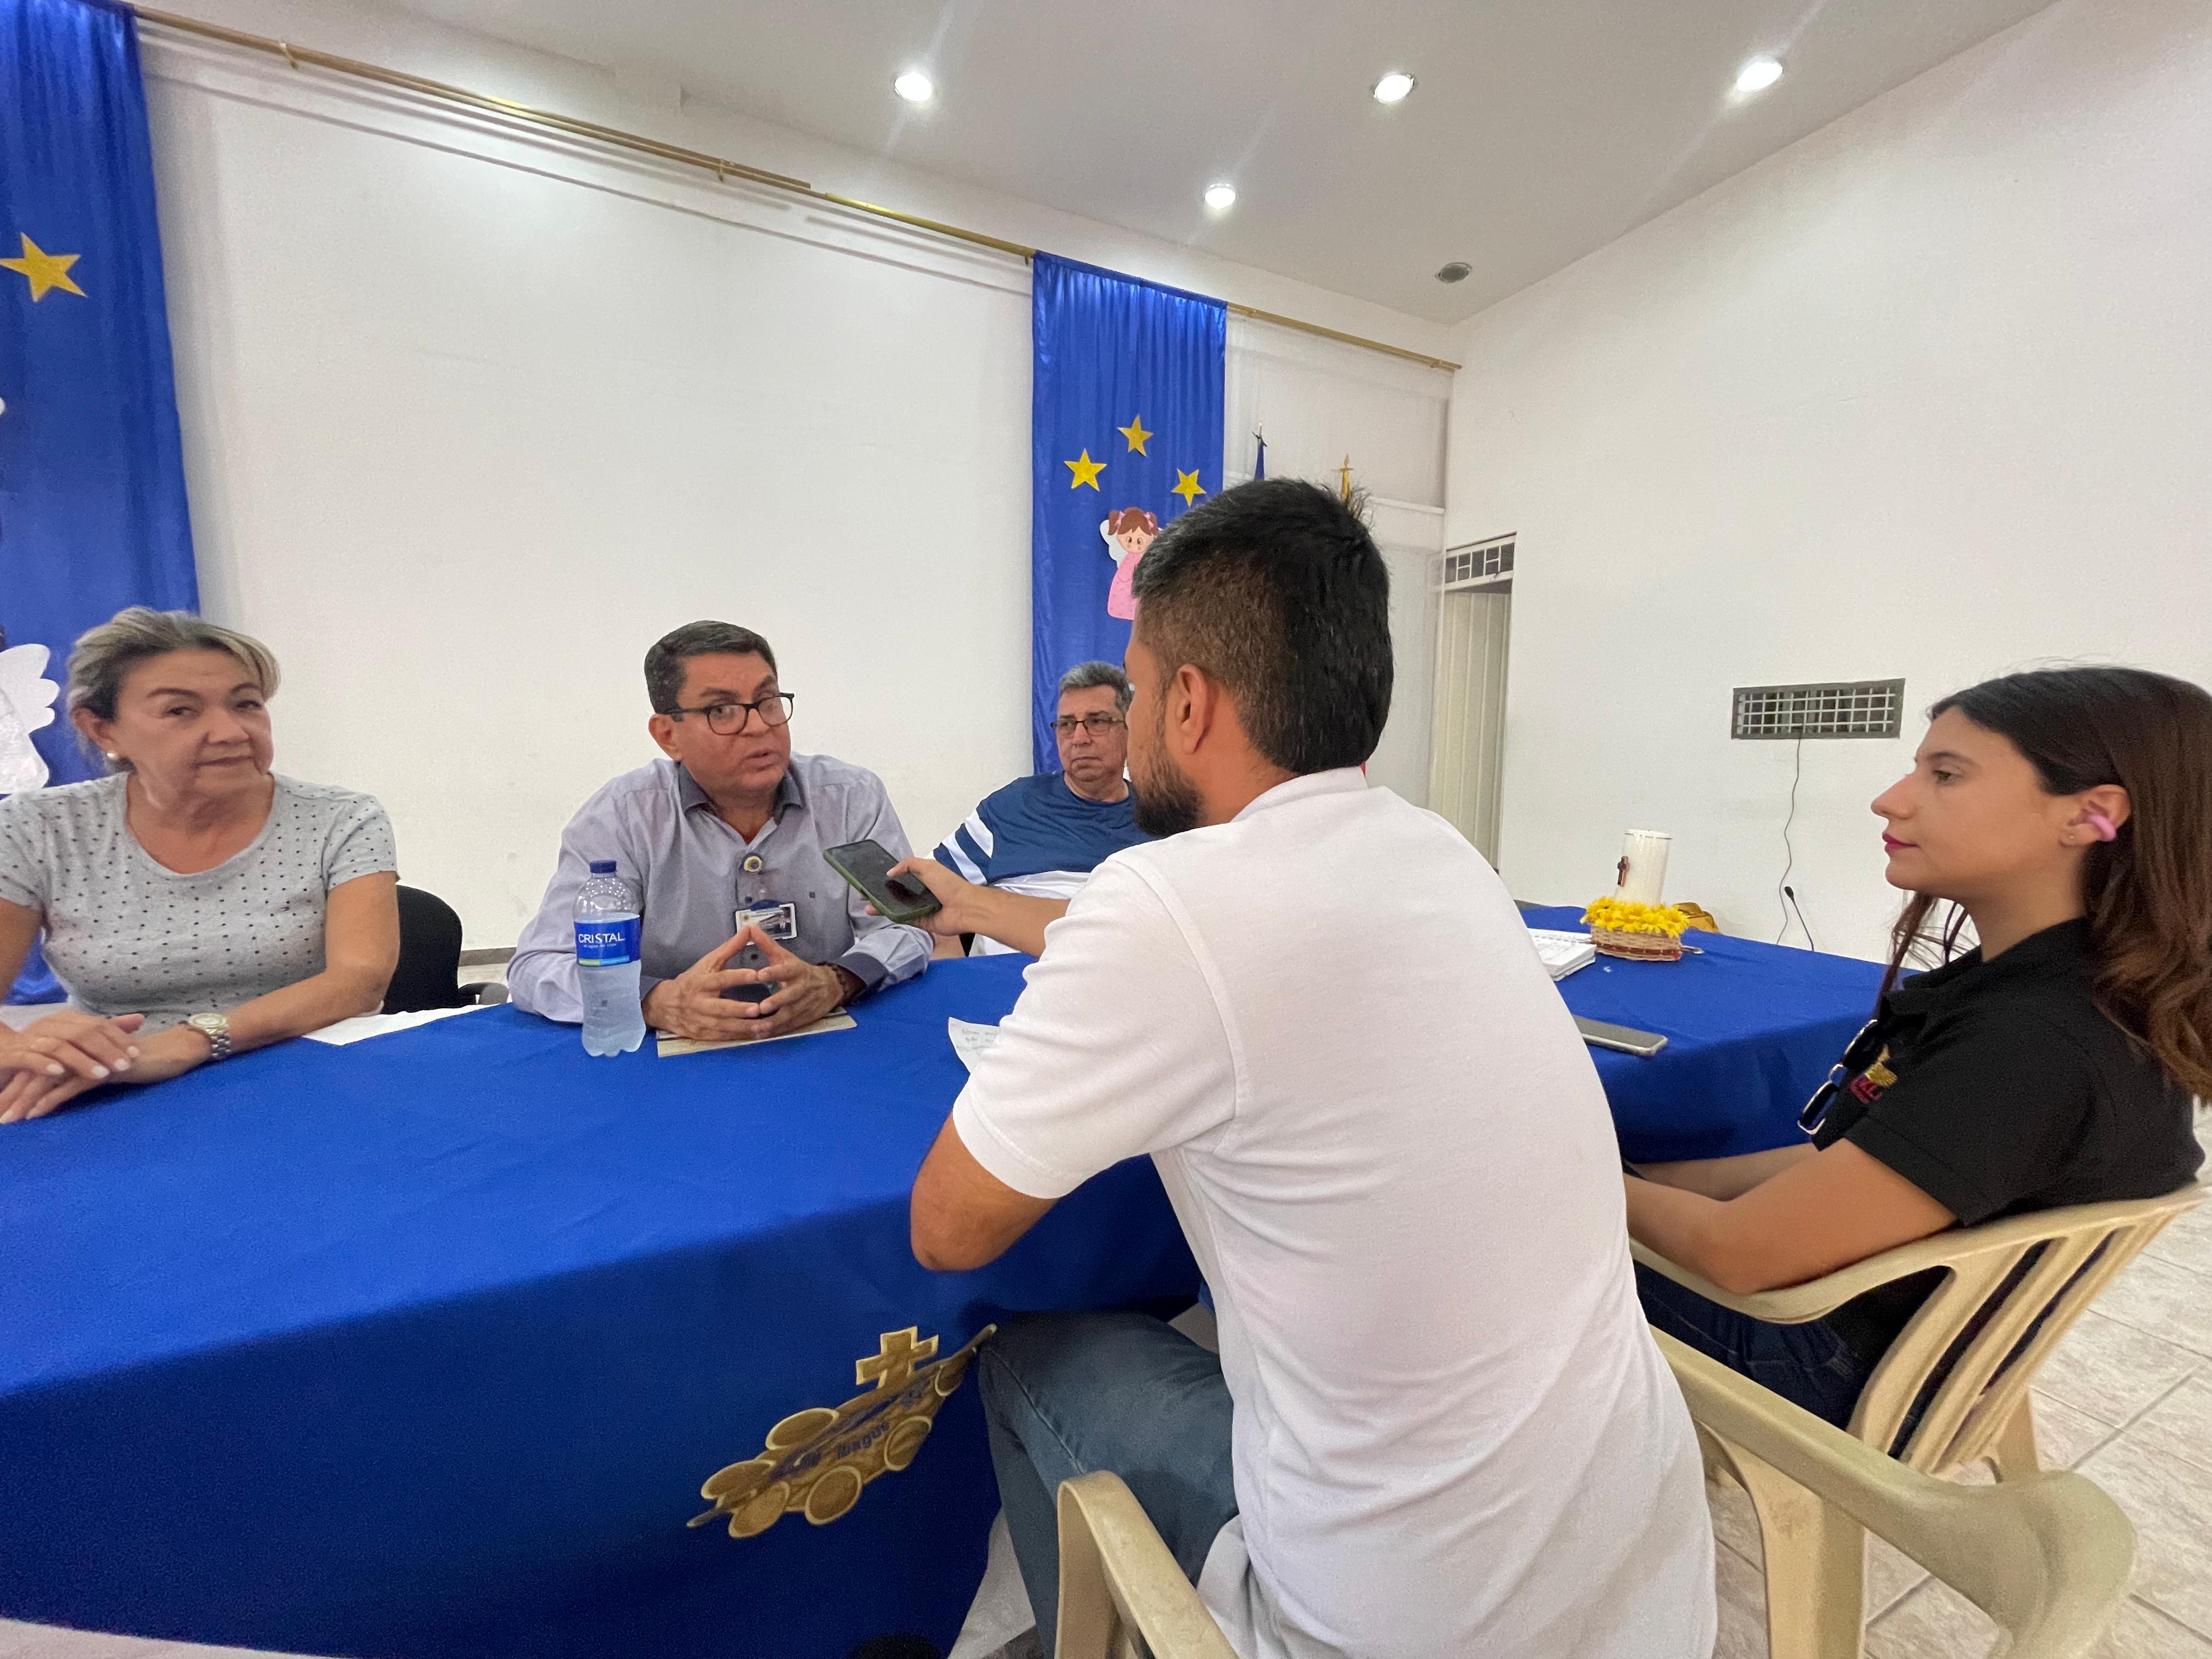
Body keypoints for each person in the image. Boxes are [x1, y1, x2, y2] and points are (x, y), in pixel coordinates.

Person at [899, 480, 1714, 1659]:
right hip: (1636, 1583)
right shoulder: (1441, 854)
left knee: (1030, 1353)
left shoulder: (1166, 899)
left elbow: (949, 1228)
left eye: (1130, 690)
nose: (1114, 734)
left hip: (1392, 1622)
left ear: (1187, 702)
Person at [1627, 667, 2210, 1428]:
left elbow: (1742, 1255)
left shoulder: (2037, 1044)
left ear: (2092, 815)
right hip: (1889, 1335)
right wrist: (1659, 1178)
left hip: (1833, 1365)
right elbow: (1856, 1160)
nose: (1890, 800)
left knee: (1493, 1236)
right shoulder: (2070, 986)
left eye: (1945, 775)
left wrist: (1580, 1187)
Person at [0, 608, 399, 1124]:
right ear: (102, 729)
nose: (230, 731)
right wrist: (21, 1049)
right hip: (117, 1084)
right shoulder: (37, 826)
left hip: (310, 1072)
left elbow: (359, 981)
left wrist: (188, 1043)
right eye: (181, 712)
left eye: (247, 704)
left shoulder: (341, 818)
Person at [508, 621, 930, 1043]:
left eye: (767, 701)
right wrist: (655, 1001)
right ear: (668, 736)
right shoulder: (622, 817)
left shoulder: (850, 798)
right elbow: (538, 965)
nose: (759, 727)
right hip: (675, 1058)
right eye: (721, 711)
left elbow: (908, 926)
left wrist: (838, 980)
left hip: (818, 1039)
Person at [930, 662, 1150, 956]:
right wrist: (955, 977)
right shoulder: (1012, 807)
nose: (1079, 738)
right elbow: (930, 891)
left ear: (1130, 729)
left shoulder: (1159, 817)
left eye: (1097, 721)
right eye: (1067, 724)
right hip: (1006, 986)